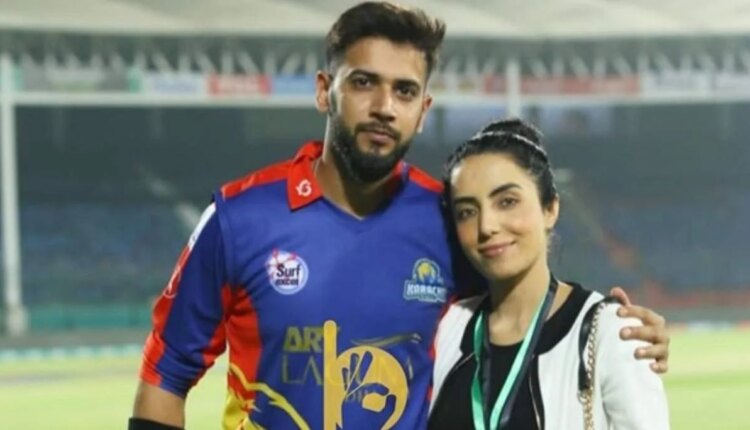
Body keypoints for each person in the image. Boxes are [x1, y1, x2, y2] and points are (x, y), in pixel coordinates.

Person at [129, 2, 671, 429]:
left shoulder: (447, 221)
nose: (385, 107)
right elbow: (165, 375)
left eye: (404, 91)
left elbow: (524, 297)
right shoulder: (239, 219)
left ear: (423, 109)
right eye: (363, 82)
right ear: (324, 91)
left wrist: (617, 331)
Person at [428, 118, 670, 429]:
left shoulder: (612, 334)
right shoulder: (448, 326)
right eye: (467, 211)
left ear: (550, 209)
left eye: (507, 202)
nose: (486, 225)